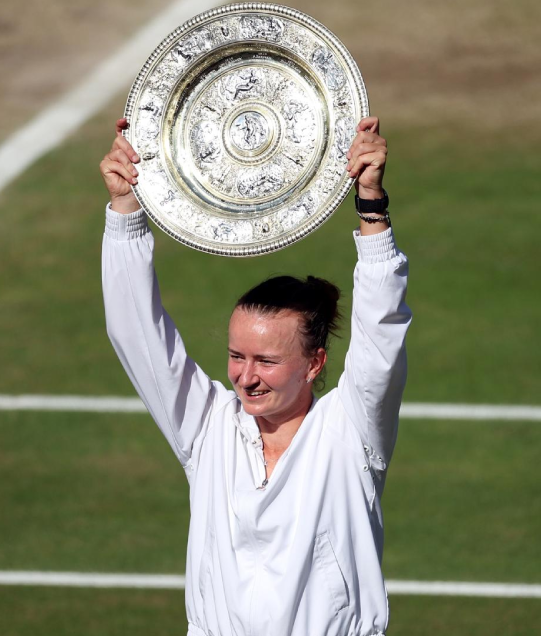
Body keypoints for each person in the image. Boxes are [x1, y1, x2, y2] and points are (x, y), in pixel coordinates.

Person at [100, 115, 410, 636]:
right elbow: (136, 333)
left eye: (266, 361)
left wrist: (372, 207)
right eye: (236, 356)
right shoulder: (208, 427)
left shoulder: (348, 433)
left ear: (314, 364)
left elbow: (381, 340)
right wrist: (125, 209)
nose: (245, 378)